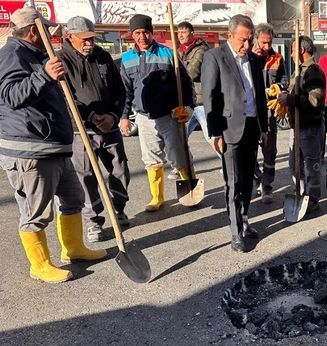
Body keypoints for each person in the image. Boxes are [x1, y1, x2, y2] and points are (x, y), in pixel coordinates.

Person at [0, 8, 106, 283]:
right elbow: (12, 96)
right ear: (33, 31)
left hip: (54, 146)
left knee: (73, 199)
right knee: (36, 211)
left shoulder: (37, 54)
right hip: (30, 149)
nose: (51, 33)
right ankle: (40, 264)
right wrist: (44, 75)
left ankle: (73, 249)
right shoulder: (11, 55)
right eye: (46, 28)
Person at [201, 15, 269, 253]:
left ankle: (245, 219)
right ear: (229, 36)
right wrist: (215, 132)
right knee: (234, 182)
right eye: (243, 40)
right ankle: (235, 231)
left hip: (252, 127)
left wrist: (265, 128)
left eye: (250, 40)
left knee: (248, 180)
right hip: (229, 130)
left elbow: (260, 96)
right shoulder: (214, 58)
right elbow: (210, 98)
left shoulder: (253, 60)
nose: (247, 46)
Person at [60, 16, 130, 243]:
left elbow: (120, 92)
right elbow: (64, 98)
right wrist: (90, 116)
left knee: (120, 169)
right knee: (86, 177)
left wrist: (112, 115)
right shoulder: (60, 60)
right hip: (81, 131)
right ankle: (94, 221)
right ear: (69, 37)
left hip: (109, 128)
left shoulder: (103, 56)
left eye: (91, 38)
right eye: (83, 39)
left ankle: (118, 209)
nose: (89, 43)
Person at [119, 14, 195, 212]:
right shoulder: (127, 59)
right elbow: (125, 91)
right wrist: (124, 116)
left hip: (170, 115)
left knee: (179, 155)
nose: (142, 36)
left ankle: (189, 189)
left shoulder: (168, 53)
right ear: (132, 35)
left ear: (151, 32)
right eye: (137, 33)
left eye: (145, 32)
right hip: (144, 117)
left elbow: (186, 82)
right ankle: (157, 197)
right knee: (151, 159)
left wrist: (188, 105)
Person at [277, 36, 326, 213]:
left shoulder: (313, 71)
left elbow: (315, 99)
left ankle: (313, 198)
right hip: (296, 126)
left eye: (292, 50)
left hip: (309, 126)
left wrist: (290, 99)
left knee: (311, 164)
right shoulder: (299, 70)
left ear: (301, 50)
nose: (290, 55)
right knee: (294, 164)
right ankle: (300, 191)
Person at [170, 21, 215, 180]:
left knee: (212, 137)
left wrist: (175, 71)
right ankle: (183, 165)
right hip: (187, 101)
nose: (180, 35)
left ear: (192, 33)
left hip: (201, 101)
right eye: (178, 33)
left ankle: (227, 162)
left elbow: (191, 72)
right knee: (180, 136)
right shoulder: (181, 51)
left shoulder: (201, 50)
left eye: (183, 32)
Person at [251, 23, 288, 204]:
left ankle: (267, 186)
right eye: (263, 43)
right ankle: (256, 177)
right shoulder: (247, 56)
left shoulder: (278, 58)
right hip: (249, 111)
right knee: (248, 150)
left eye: (269, 43)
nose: (266, 47)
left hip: (269, 111)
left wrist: (278, 87)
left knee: (270, 151)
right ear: (256, 39)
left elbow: (284, 80)